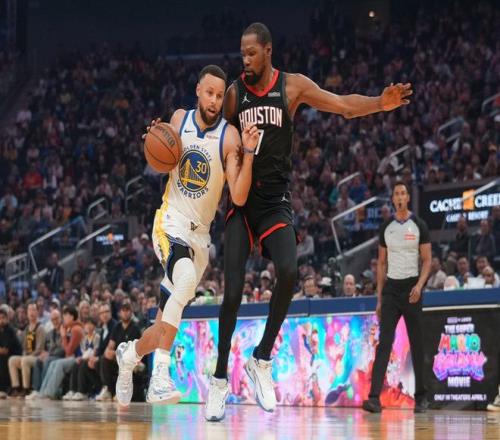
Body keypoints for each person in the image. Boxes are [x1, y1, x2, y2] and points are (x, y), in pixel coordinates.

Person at [207, 22, 412, 420]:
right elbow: (215, 133)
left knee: (289, 272)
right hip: (242, 199)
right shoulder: (233, 94)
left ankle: (261, 359)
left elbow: (342, 105)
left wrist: (379, 103)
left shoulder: (293, 86)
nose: (245, 59)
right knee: (231, 294)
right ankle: (218, 379)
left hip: (275, 199)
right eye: (242, 53)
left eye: (251, 53)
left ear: (268, 50)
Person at [114, 64, 259, 407]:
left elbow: (239, 196)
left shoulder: (230, 137)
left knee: (163, 324)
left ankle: (129, 355)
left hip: (200, 239)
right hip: (170, 223)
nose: (214, 100)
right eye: (209, 93)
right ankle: (159, 378)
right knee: (184, 281)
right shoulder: (179, 120)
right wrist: (154, 137)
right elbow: (159, 152)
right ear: (198, 91)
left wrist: (250, 153)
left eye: (219, 95)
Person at [362, 182, 431, 414]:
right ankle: (374, 398)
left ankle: (421, 398)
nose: (400, 197)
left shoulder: (419, 225)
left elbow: (427, 260)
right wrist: (379, 299)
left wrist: (419, 286)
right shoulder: (386, 227)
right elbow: (381, 263)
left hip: (411, 288)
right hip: (391, 289)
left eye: (403, 193)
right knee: (384, 343)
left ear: (408, 198)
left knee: (417, 343)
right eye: (396, 194)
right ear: (392, 199)